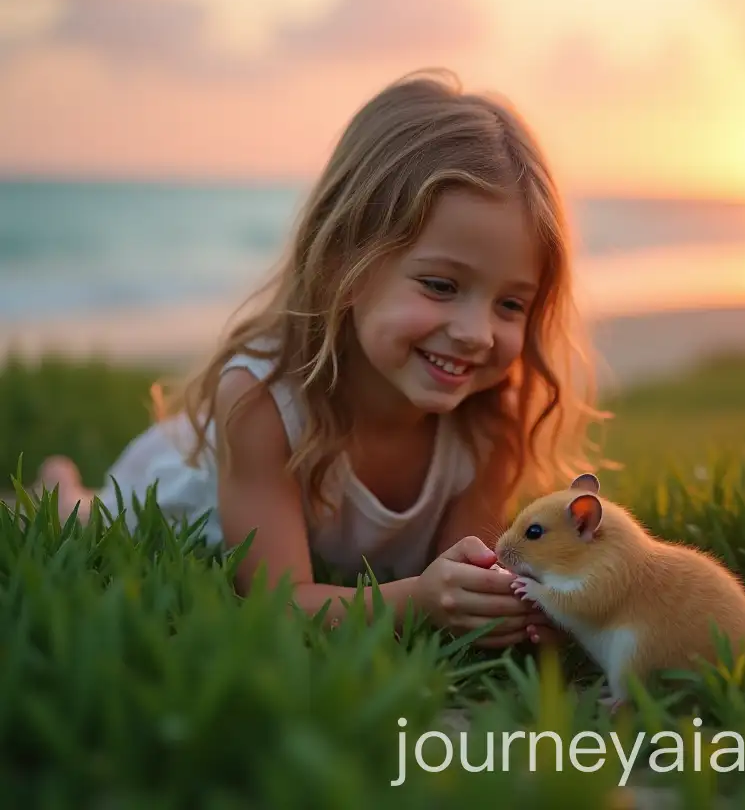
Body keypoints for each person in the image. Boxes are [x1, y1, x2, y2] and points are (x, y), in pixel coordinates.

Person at [35, 68, 608, 649]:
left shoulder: (487, 425)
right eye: (440, 285)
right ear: (344, 265)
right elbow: (276, 603)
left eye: (511, 303)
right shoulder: (260, 405)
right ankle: (64, 488)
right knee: (86, 521)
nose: (475, 333)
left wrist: (506, 605)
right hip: (177, 491)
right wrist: (420, 600)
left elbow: (470, 577)